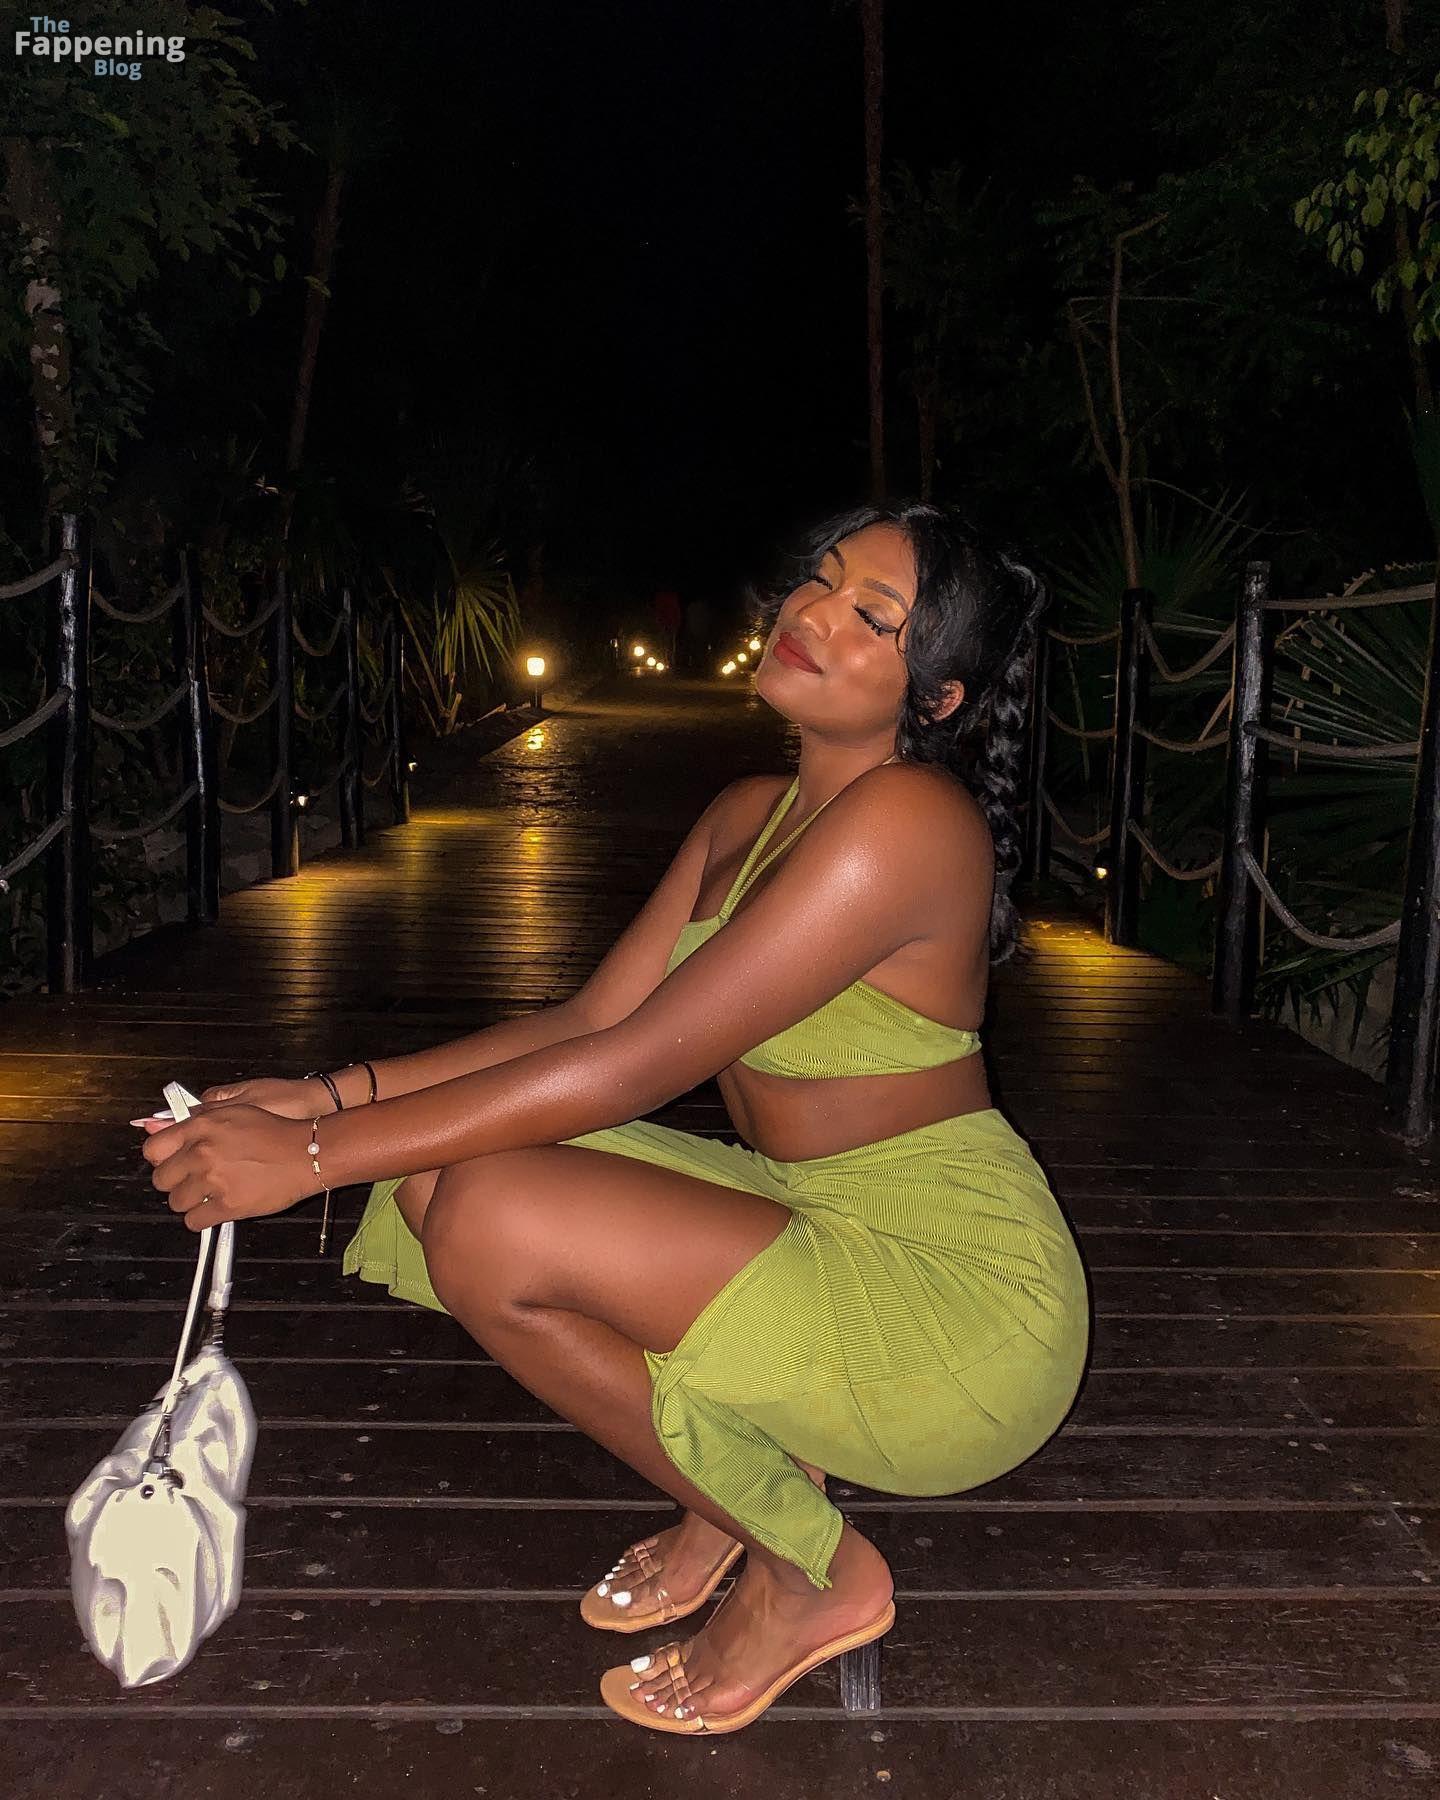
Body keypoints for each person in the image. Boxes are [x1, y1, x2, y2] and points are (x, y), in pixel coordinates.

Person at [135, 501, 1090, 1737]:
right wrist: (326, 1097)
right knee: (434, 1180)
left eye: (873, 616)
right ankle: (738, 1480)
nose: (810, 613)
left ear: (940, 697)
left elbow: (631, 1067)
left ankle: (805, 1568)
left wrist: (311, 1160)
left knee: (489, 1213)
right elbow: (585, 1023)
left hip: (954, 1308)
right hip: (818, 1213)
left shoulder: (908, 823)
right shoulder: (748, 813)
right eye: (818, 578)